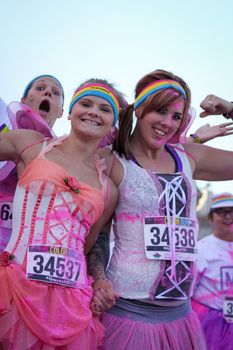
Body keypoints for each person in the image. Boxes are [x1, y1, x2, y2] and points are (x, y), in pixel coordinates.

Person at [87, 70, 233, 350]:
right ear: (140, 109)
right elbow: (99, 234)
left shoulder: (190, 158)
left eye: (176, 116)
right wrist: (100, 279)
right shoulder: (113, 162)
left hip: (181, 319)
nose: (168, 123)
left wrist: (230, 109)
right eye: (161, 111)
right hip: (128, 314)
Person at [0, 79, 124, 349]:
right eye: (86, 103)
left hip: (69, 304)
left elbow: (88, 244)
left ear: (112, 125)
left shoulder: (109, 190)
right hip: (14, 291)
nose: (93, 111)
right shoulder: (31, 145)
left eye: (105, 109)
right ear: (69, 112)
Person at [0, 74, 64, 251]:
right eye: (40, 88)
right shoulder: (3, 128)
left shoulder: (65, 154)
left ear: (61, 111)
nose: (48, 92)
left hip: (27, 253)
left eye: (56, 92)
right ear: (23, 100)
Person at [192, 192, 233, 350]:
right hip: (210, 323)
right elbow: (189, 290)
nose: (228, 216)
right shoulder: (202, 249)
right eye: (221, 212)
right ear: (210, 218)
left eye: (231, 211)